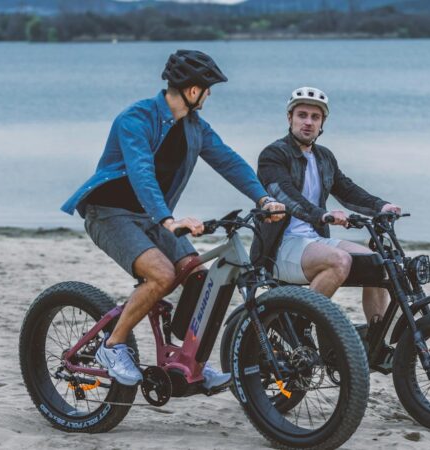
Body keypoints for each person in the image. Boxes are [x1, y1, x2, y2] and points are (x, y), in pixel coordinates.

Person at [61, 50, 285, 388]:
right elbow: (141, 172)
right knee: (161, 276)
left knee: (197, 272)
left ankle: (188, 358)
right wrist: (167, 219)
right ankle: (113, 345)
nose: (210, 95)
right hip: (111, 213)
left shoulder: (195, 127)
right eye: (208, 89)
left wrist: (263, 197)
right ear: (194, 91)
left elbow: (228, 161)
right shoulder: (135, 119)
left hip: (151, 215)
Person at [251, 86, 401, 332]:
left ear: (323, 123)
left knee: (378, 262)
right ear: (290, 118)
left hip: (313, 241)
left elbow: (347, 190)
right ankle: (300, 327)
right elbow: (286, 195)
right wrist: (322, 215)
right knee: (339, 261)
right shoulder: (274, 155)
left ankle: (375, 336)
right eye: (302, 115)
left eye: (315, 117)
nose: (308, 122)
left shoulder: (324, 157)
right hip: (280, 247)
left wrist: (381, 206)